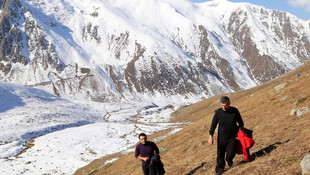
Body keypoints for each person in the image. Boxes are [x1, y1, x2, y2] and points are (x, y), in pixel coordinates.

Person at [208, 96, 244, 175]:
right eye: (222, 105)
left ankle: (229, 160)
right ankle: (219, 169)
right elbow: (213, 125)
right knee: (220, 154)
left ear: (229, 103)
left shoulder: (234, 111)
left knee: (230, 155)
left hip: (232, 137)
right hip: (221, 137)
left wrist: (240, 131)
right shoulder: (218, 112)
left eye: (226, 105)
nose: (224, 107)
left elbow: (241, 123)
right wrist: (211, 136)